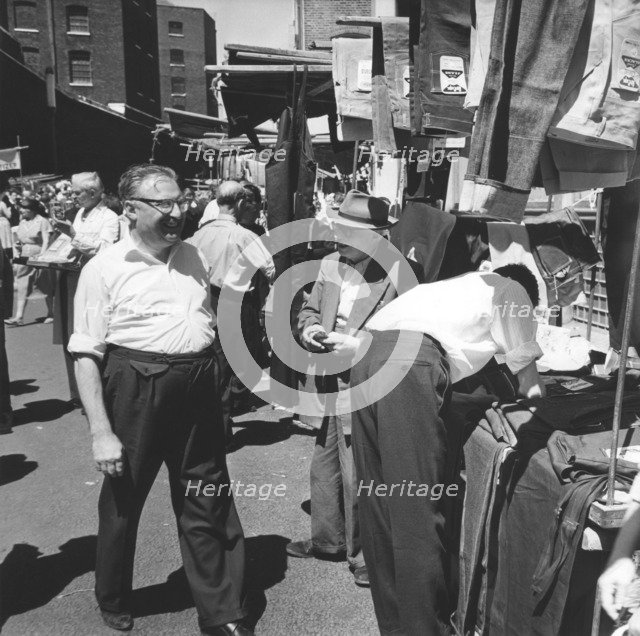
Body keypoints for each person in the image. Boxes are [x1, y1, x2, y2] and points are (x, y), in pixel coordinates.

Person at [68, 164, 251, 635]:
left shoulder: (192, 254)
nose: (177, 212)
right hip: (136, 387)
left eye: (180, 201)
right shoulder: (103, 268)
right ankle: (112, 594)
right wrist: (101, 432)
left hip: (198, 385)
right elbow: (86, 353)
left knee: (207, 495)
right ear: (129, 210)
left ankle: (222, 609)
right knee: (124, 499)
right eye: (162, 204)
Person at [348, 263, 545, 635]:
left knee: (381, 505)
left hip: (367, 356)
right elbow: (531, 387)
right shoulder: (510, 289)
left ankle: (397, 626)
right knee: (418, 515)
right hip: (408, 365)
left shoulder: (454, 288)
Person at [287, 190, 422, 588]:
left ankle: (366, 554)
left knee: (359, 468)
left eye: (350, 233)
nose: (339, 239)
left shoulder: (401, 274)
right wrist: (310, 329)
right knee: (325, 460)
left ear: (378, 237)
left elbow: (412, 335)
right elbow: (310, 309)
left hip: (368, 375)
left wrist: (360, 346)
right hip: (330, 372)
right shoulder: (330, 263)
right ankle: (327, 540)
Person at [187, 180, 275, 443]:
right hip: (236, 303)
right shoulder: (244, 236)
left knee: (210, 362)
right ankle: (220, 429)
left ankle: (210, 424)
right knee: (228, 364)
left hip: (203, 302)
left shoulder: (197, 236)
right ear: (239, 202)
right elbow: (269, 269)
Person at [51, 172, 119, 407]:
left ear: (92, 193)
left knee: (91, 335)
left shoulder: (109, 217)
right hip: (70, 276)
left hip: (92, 282)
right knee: (71, 335)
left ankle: (98, 394)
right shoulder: (79, 213)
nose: (72, 195)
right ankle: (79, 393)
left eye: (76, 192)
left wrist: (73, 235)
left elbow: (105, 250)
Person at [5, 198, 54, 326]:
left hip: (38, 256)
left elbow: (46, 240)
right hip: (24, 256)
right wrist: (16, 250)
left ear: (31, 210)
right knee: (22, 284)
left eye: (23, 208)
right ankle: (18, 316)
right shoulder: (22, 222)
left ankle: (51, 313)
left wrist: (43, 255)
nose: (21, 210)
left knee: (44, 283)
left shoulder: (42, 221)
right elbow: (19, 240)